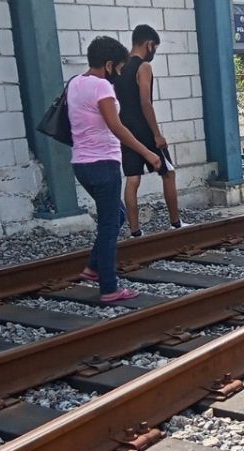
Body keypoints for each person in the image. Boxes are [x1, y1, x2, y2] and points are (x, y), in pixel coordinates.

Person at [69, 36, 161, 301]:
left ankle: (93, 267)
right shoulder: (101, 88)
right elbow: (116, 127)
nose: (119, 74)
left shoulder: (75, 83)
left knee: (116, 216)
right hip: (103, 164)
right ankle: (109, 288)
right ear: (108, 64)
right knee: (110, 226)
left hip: (81, 164)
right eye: (118, 68)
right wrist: (147, 153)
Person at [115, 25, 186, 238]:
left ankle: (135, 231)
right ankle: (176, 223)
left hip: (125, 130)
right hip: (144, 130)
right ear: (149, 44)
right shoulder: (143, 67)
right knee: (168, 173)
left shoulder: (119, 67)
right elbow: (145, 102)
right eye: (154, 47)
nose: (153, 51)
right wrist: (157, 134)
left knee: (133, 178)